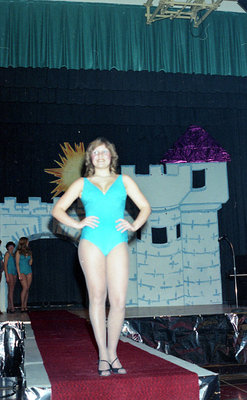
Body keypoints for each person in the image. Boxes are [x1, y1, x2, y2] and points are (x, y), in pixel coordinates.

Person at [52, 137, 151, 377]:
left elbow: (145, 207)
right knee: (97, 297)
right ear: (90, 158)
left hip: (117, 242)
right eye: (95, 152)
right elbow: (56, 210)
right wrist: (78, 223)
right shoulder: (82, 183)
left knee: (118, 301)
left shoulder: (124, 180)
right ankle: (103, 356)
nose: (100, 155)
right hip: (91, 242)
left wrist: (134, 225)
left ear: (112, 156)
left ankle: (113, 352)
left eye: (104, 152)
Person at [15, 237, 33, 312]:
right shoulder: (18, 252)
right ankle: (22, 306)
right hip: (22, 271)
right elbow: (17, 264)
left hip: (28, 270)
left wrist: (31, 257)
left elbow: (30, 263)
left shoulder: (29, 252)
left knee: (27, 289)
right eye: (27, 242)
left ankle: (25, 306)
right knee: (25, 288)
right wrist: (19, 274)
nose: (28, 243)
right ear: (24, 242)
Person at [4, 241, 17, 313]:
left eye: (12, 246)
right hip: (9, 272)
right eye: (10, 246)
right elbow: (5, 265)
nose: (11, 247)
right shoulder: (7, 254)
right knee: (11, 290)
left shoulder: (13, 255)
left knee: (11, 290)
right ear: (7, 248)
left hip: (14, 272)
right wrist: (7, 276)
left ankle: (9, 306)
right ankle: (12, 306)